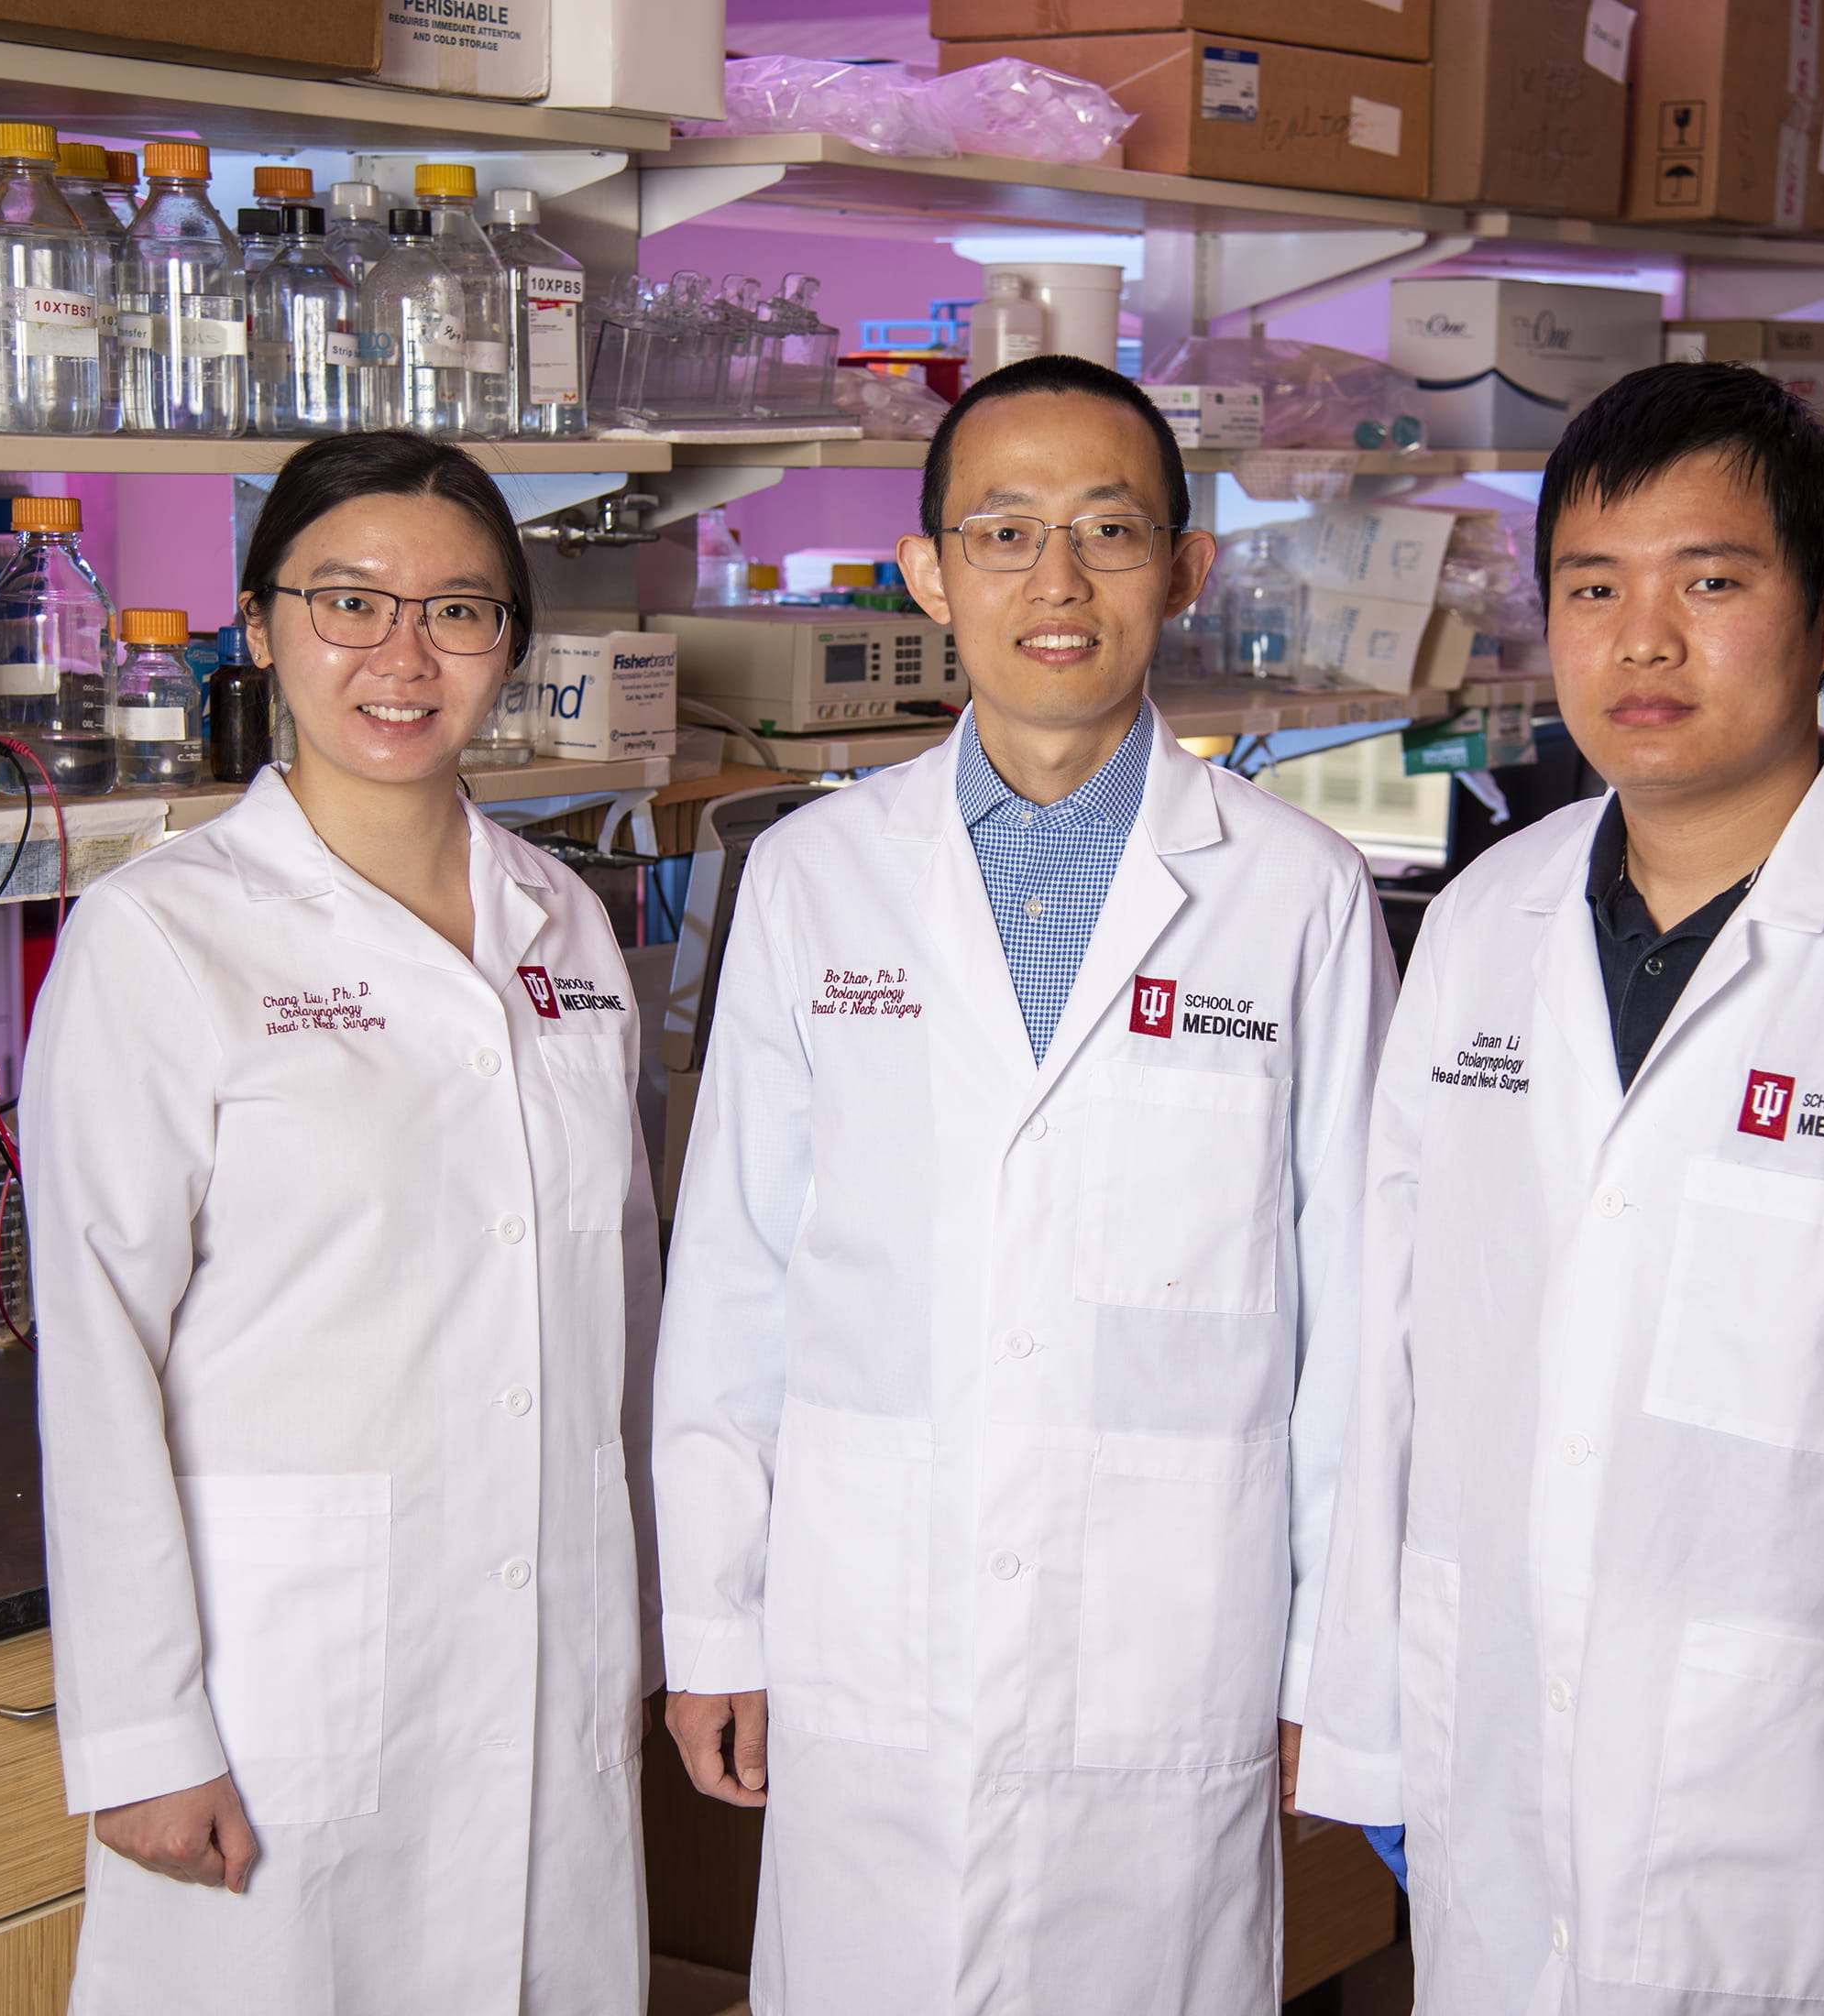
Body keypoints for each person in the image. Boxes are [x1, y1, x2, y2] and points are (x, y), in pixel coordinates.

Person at [1296, 363, 1824, 2016]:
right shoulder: (1482, 927)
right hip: (1492, 1766)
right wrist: (1375, 1722)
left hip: (1797, 1814)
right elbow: (1393, 1369)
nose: (1645, 641)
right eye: (1594, 589)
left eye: (1712, 581)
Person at [650, 354, 1394, 2013]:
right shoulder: (816, 881)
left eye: (1109, 530)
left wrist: (1329, 1662)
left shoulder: (1295, 896)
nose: (1055, 583)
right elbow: (739, 1282)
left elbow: (1354, 1313)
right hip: (868, 1633)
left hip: (1167, 1644)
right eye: (1003, 532)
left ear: (1186, 568)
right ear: (928, 573)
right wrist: (715, 1621)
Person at [25, 431, 656, 2013]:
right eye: (348, 601)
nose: (402, 654)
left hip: (544, 1659)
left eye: (459, 611)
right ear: (258, 625)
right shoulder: (157, 937)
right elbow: (95, 1359)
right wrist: (143, 1733)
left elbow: (616, 1306)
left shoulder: (562, 919)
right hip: (280, 1692)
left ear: (510, 644)